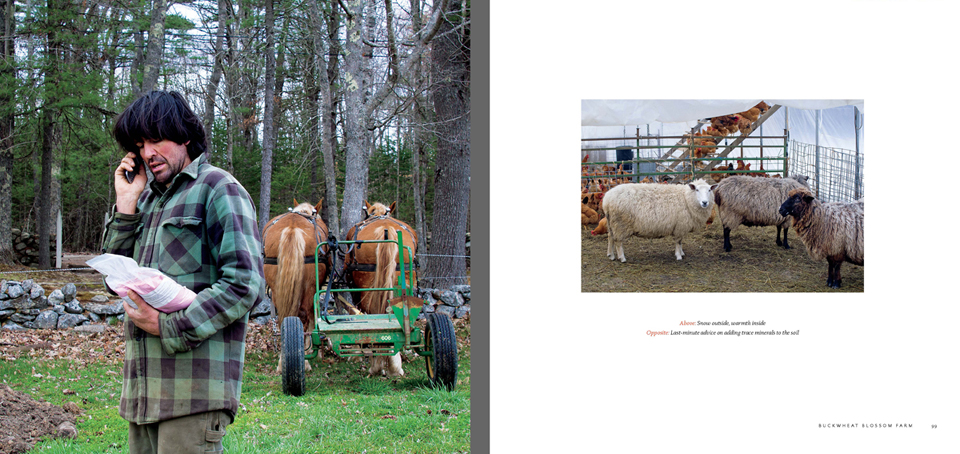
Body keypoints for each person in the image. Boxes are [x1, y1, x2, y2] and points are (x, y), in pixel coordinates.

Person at [101, 90, 264, 454]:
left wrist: (167, 326)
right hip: (143, 395)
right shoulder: (144, 199)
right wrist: (126, 207)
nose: (146, 153)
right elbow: (115, 280)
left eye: (156, 140)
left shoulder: (219, 189)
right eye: (140, 144)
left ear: (184, 136)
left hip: (192, 395)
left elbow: (245, 284)